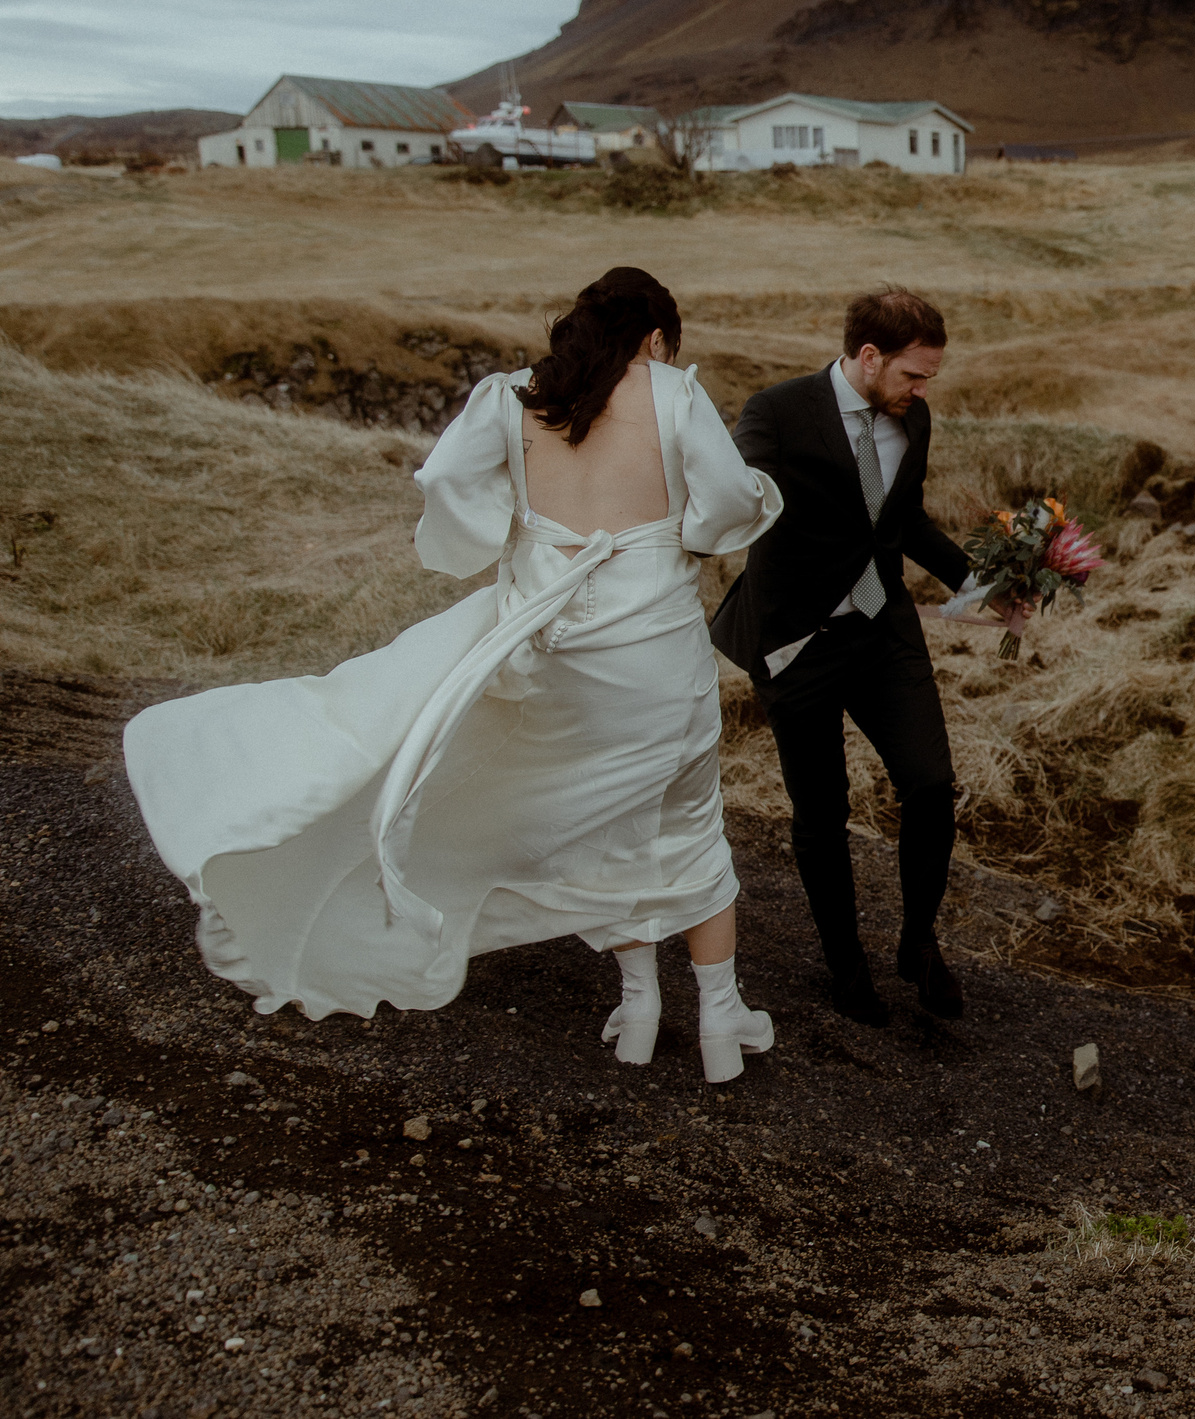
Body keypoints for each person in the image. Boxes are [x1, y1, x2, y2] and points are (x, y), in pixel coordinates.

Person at [123, 267, 786, 1082]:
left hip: (558, 650)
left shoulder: (515, 397)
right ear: (654, 337)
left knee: (604, 824)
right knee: (688, 819)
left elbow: (442, 483)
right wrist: (699, 522)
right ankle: (722, 1018)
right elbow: (722, 505)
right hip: (654, 656)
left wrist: (502, 536)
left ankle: (640, 1003)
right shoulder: (673, 394)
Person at [711, 288, 974, 1025]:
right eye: (913, 375)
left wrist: (976, 582)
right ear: (868, 356)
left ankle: (917, 943)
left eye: (927, 379)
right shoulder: (776, 412)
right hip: (796, 642)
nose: (922, 392)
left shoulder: (910, 418)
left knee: (930, 784)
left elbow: (904, 518)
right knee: (819, 812)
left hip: (882, 631)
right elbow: (733, 496)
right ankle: (844, 963)